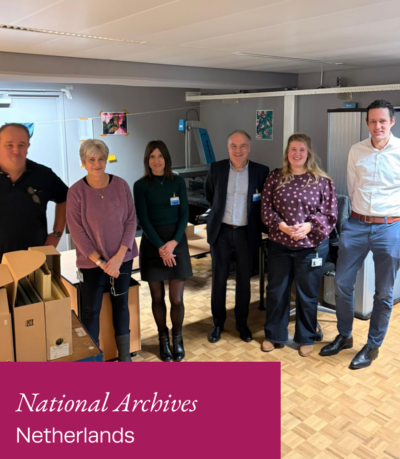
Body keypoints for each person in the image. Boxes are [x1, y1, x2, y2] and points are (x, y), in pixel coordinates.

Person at [320, 99, 400, 369]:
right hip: (356, 224)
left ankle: (373, 345)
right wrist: (362, 216)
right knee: (342, 283)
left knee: (384, 292)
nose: (378, 126)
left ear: (392, 122)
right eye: (373, 121)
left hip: (390, 227)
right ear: (367, 123)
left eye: (383, 121)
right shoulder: (356, 150)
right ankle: (344, 335)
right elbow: (352, 187)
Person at [261, 134, 337, 357]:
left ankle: (306, 337)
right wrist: (282, 226)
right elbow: (266, 208)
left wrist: (308, 226)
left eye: (302, 149)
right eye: (293, 149)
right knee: (276, 291)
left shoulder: (322, 181)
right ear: (287, 152)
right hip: (280, 245)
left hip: (310, 248)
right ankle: (274, 335)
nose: (297, 154)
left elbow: (330, 214)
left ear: (308, 153)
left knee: (308, 294)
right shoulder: (275, 177)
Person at [67, 139, 137, 362]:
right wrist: (101, 263)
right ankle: (93, 360)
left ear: (106, 160)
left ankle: (125, 357)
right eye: (91, 159)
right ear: (83, 162)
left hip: (121, 260)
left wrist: (118, 259)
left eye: (101, 159)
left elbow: (131, 222)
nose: (97, 164)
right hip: (91, 263)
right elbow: (77, 232)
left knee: (121, 306)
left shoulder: (121, 185)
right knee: (90, 310)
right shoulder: (76, 192)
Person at [205, 130, 269, 344]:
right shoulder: (217, 169)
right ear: (228, 148)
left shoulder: (261, 171)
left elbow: (263, 202)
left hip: (246, 233)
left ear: (249, 148)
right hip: (221, 232)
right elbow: (210, 195)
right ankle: (218, 323)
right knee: (219, 280)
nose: (238, 150)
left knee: (243, 281)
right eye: (234, 145)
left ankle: (242, 324)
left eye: (242, 146)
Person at [134, 140, 192, 362]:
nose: (156, 161)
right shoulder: (140, 185)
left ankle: (178, 338)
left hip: (176, 243)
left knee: (176, 299)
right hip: (153, 244)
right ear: (147, 160)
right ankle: (163, 338)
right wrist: (161, 247)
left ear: (166, 158)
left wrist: (173, 243)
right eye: (152, 157)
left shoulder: (177, 181)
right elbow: (143, 219)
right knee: (157, 297)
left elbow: (184, 213)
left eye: (160, 156)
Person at [0, 123, 68, 261]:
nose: (16, 150)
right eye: (9, 145)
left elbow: (65, 198)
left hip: (34, 259)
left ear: (28, 146)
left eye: (21, 145)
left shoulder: (43, 175)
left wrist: (56, 234)